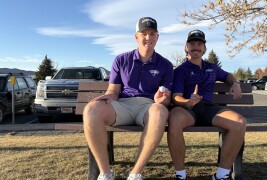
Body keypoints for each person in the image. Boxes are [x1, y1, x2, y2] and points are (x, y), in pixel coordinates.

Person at [83, 17, 174, 180]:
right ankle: (106, 173)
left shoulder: (165, 65)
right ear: (136, 37)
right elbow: (114, 91)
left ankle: (135, 174)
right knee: (91, 110)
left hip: (148, 107)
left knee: (160, 111)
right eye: (144, 33)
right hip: (122, 105)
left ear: (157, 37)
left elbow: (165, 99)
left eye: (152, 34)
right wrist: (107, 96)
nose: (148, 38)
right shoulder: (121, 60)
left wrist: (162, 100)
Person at [167, 29, 246, 180]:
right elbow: (176, 97)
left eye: (199, 43)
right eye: (192, 43)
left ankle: (221, 175)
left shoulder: (212, 67)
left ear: (204, 48)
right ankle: (180, 175)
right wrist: (188, 101)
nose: (196, 46)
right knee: (174, 119)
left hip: (208, 109)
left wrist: (235, 83)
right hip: (187, 109)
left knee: (239, 122)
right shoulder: (180, 70)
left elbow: (227, 75)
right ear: (186, 47)